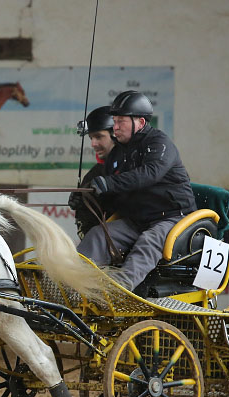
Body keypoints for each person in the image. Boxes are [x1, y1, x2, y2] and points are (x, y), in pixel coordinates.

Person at [75, 90, 196, 291]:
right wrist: (84, 198)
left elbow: (150, 173)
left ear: (140, 122)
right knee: (98, 235)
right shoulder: (118, 153)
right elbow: (112, 195)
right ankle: (72, 280)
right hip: (137, 221)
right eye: (114, 121)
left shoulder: (159, 143)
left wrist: (109, 184)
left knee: (149, 241)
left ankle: (119, 291)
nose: (115, 127)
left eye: (121, 121)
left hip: (172, 219)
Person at [68, 106, 116, 239]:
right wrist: (80, 201)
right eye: (91, 138)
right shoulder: (93, 174)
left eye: (99, 137)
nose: (93, 144)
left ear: (115, 134)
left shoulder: (134, 166)